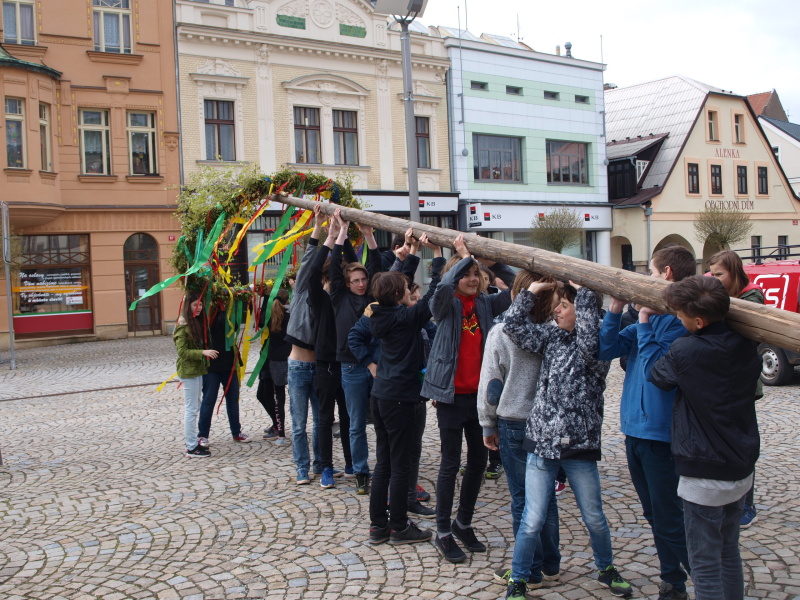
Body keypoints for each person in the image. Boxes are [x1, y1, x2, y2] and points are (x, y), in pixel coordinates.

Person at [503, 280, 633, 599]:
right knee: (532, 518)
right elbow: (512, 327)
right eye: (557, 305)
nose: (556, 311)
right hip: (543, 442)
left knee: (594, 517)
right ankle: (518, 579)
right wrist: (531, 291)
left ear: (583, 309)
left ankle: (605, 568)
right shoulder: (551, 336)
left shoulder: (600, 342)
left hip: (579, 445)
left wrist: (585, 293)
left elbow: (588, 346)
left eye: (564, 305)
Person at [645, 275, 761, 600]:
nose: (677, 319)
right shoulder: (745, 342)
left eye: (680, 315)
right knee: (728, 552)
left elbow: (657, 375)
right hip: (740, 469)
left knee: (705, 565)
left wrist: (649, 327)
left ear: (697, 321)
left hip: (705, 476)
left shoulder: (687, 349)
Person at [598, 245, 695, 600]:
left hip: (660, 434)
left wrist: (642, 319)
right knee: (654, 513)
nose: (647, 279)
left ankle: (704, 579)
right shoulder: (649, 320)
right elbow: (606, 349)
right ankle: (673, 579)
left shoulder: (679, 323)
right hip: (634, 431)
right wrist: (615, 309)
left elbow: (657, 370)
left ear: (666, 274)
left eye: (651, 273)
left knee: (669, 515)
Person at [421, 235, 512, 564]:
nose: (472, 279)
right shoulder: (445, 304)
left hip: (480, 399)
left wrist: (494, 260)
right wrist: (462, 258)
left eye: (476, 274)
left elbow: (516, 289)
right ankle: (442, 531)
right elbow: (444, 286)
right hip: (450, 396)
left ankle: (463, 523)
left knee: (477, 462)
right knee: (450, 464)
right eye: (466, 274)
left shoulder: (486, 303)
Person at [349, 233, 443, 518]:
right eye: (406, 290)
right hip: (400, 399)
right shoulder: (404, 317)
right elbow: (435, 292)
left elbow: (398, 282)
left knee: (387, 463)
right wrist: (438, 255)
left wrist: (413, 252)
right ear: (398, 296)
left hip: (385, 396)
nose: (409, 291)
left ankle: (379, 523)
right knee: (400, 464)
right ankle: (399, 525)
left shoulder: (382, 311)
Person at [478, 270, 561, 590]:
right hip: (546, 422)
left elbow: (492, 382)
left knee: (523, 499)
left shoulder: (502, 332)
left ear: (517, 295)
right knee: (546, 497)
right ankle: (550, 564)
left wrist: (487, 422)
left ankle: (531, 570)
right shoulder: (556, 331)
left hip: (514, 421)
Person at [707, 249, 764, 529]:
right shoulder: (721, 295)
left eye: (719, 274)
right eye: (712, 274)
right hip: (720, 380)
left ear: (734, 272)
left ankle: (746, 504)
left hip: (741, 383)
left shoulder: (752, 297)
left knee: (742, 444)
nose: (715, 279)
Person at [330, 211, 384, 496]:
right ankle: (361, 471)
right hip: (351, 368)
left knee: (384, 420)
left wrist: (369, 235)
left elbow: (377, 267)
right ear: (347, 283)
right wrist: (341, 232)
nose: (361, 284)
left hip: (377, 365)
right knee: (355, 424)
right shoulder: (339, 296)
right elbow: (332, 266)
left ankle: (385, 468)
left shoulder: (373, 297)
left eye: (363, 279)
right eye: (356, 280)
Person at [308, 208, 353, 489]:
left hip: (347, 362)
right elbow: (313, 270)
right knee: (325, 417)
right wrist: (330, 238)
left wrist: (344, 235)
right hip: (325, 363)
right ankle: (326, 467)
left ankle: (350, 462)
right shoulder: (318, 297)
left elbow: (355, 266)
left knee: (349, 417)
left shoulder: (346, 297)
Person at [197, 299, 251, 447]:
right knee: (209, 399)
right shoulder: (205, 313)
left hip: (229, 363)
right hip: (211, 366)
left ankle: (236, 432)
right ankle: (202, 435)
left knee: (233, 399)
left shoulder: (231, 311)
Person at [174, 292, 218, 457]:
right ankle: (191, 447)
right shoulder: (183, 326)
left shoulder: (195, 322)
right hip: (189, 371)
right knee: (191, 409)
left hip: (197, 370)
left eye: (200, 304)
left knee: (195, 406)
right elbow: (183, 352)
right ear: (188, 306)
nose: (198, 308)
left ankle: (193, 443)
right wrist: (203, 352)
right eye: (195, 305)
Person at [257, 287, 290, 444]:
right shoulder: (289, 316)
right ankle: (281, 429)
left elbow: (260, 320)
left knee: (278, 397)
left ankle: (280, 431)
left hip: (274, 360)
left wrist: (265, 298)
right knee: (283, 397)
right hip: (288, 358)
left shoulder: (269, 317)